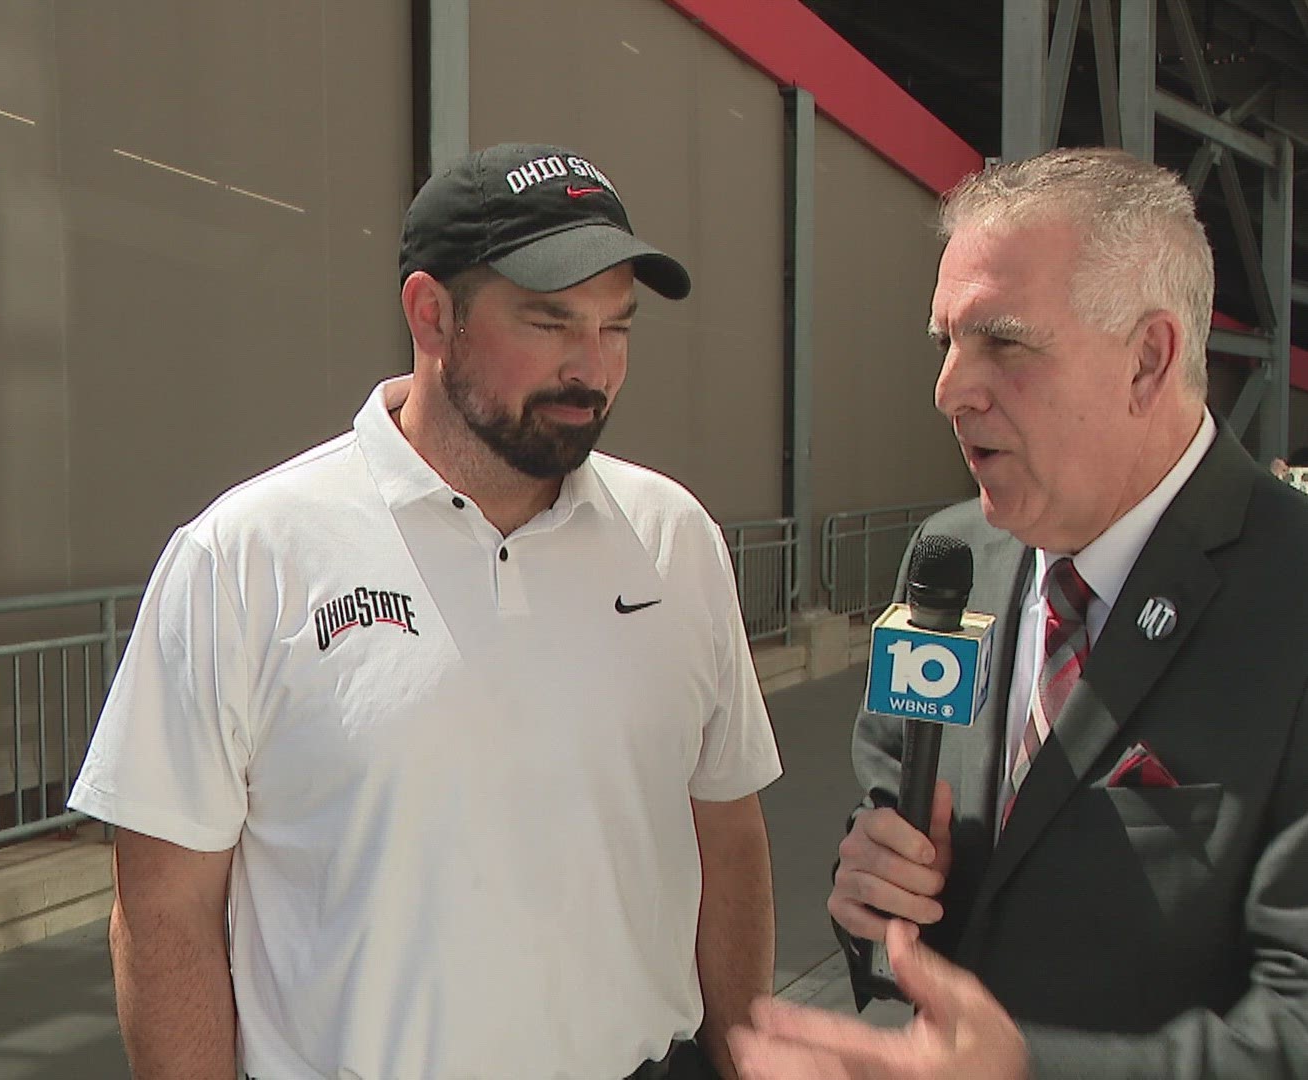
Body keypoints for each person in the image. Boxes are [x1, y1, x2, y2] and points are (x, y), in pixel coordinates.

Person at [730, 148, 1308, 1079]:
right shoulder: (949, 560)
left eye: (1002, 340)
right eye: (945, 342)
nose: (951, 388)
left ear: (1147, 360)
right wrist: (876, 889)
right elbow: (902, 821)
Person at [70, 143, 782, 1080]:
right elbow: (163, 910)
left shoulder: (673, 538)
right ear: (431, 313)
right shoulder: (245, 557)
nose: (592, 368)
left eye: (617, 328)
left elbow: (726, 834)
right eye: (551, 322)